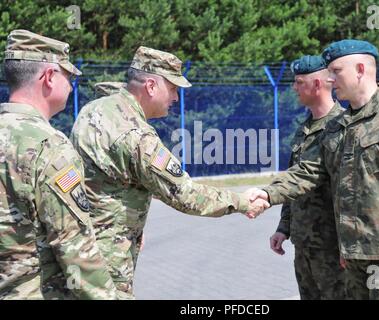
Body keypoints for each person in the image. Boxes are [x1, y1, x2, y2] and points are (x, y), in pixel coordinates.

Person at [248, 39, 379, 300]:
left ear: (360, 69)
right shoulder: (336, 126)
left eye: (336, 71)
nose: (330, 78)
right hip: (351, 260)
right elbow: (307, 171)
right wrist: (267, 194)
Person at [70, 46, 269, 297]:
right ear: (151, 86)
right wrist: (241, 201)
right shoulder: (136, 135)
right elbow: (184, 194)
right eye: (173, 88)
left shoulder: (93, 110)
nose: (175, 98)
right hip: (108, 258)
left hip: (81, 245)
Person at [0, 29, 118, 300]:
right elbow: (76, 250)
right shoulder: (49, 146)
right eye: (69, 76)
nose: (71, 85)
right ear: (50, 77)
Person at [270, 55, 345, 299]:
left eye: (299, 82)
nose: (294, 87)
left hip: (332, 246)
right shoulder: (304, 130)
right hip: (304, 245)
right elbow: (295, 181)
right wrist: (284, 228)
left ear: (317, 84)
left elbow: (351, 192)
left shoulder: (343, 127)